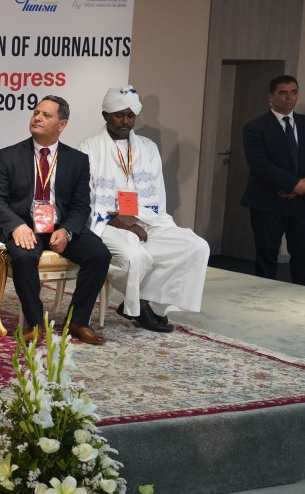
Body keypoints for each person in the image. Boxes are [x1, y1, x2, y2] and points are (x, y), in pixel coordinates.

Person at [79, 86, 209, 333]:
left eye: (130, 115)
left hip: (145, 217)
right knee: (133, 255)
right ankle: (139, 305)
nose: (125, 121)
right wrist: (120, 221)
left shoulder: (147, 147)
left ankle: (148, 303)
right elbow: (85, 195)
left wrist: (138, 219)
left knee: (195, 247)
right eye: (119, 115)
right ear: (106, 115)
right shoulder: (89, 147)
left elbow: (157, 193)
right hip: (104, 222)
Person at [0, 95, 111, 344]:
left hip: (59, 226)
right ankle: (35, 323)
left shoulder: (77, 160)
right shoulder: (9, 155)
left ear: (62, 124)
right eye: (36, 113)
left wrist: (67, 231)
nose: (38, 118)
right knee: (23, 256)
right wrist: (16, 226)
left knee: (100, 255)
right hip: (24, 225)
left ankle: (77, 321)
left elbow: (81, 206)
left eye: (46, 115)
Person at [241, 75, 305, 286]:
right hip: (269, 201)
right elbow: (259, 164)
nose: (289, 98)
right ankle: (264, 299)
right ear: (271, 97)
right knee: (267, 257)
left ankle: (303, 298)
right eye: (283, 93)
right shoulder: (255, 127)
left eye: (294, 92)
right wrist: (292, 184)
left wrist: (304, 186)